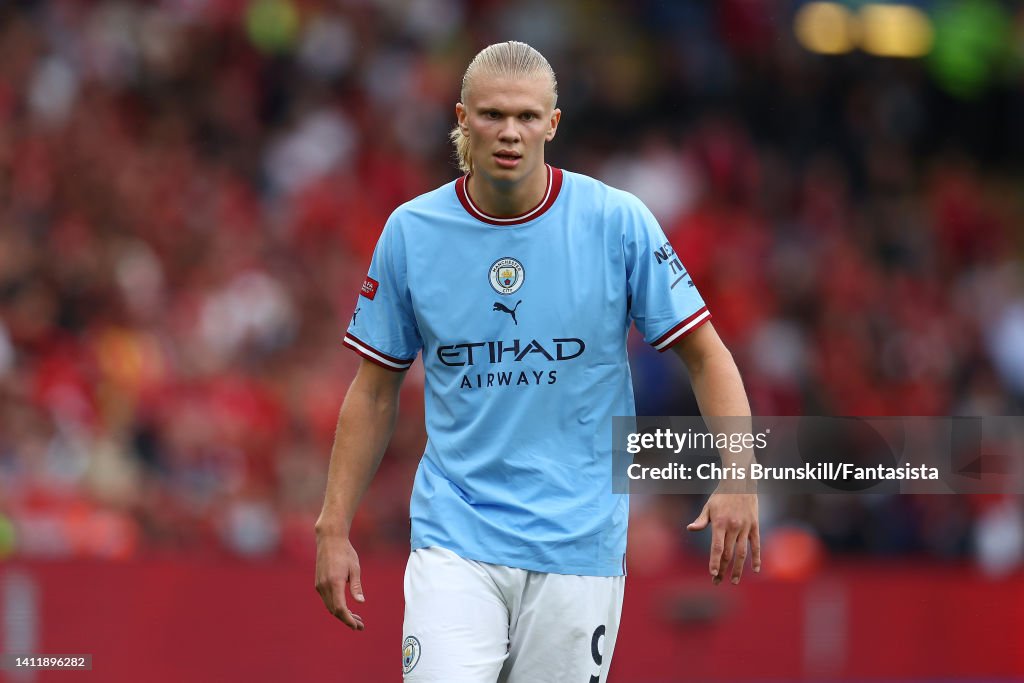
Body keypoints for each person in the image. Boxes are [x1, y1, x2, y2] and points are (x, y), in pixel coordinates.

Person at [314, 40, 760, 682]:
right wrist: (333, 526)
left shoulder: (617, 222)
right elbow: (374, 390)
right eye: (493, 115)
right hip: (455, 538)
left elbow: (707, 355)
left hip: (579, 543)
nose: (510, 133)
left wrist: (739, 476)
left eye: (527, 117)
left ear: (553, 123)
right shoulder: (411, 232)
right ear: (462, 119)